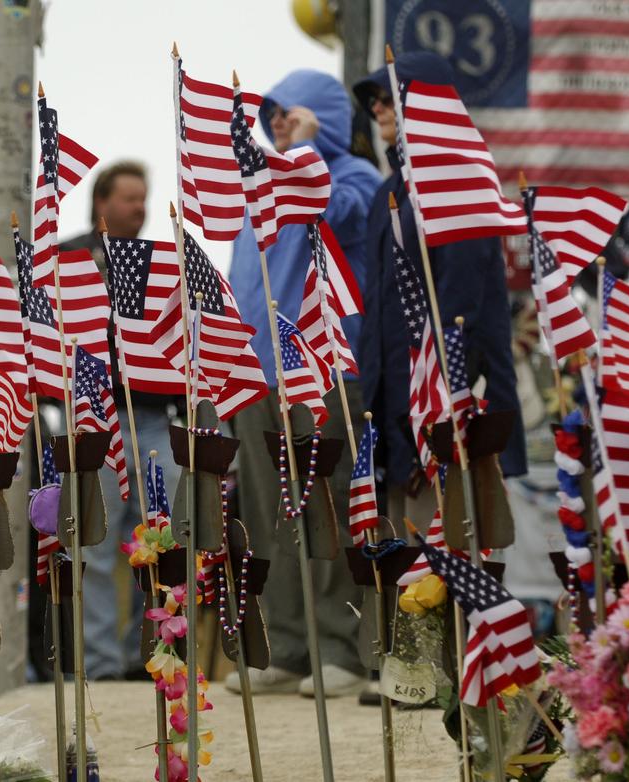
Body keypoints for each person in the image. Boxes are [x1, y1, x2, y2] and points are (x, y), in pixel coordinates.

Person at [352, 52, 526, 689]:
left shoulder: (458, 176)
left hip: (451, 398)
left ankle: (472, 680)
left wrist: (447, 395)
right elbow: (381, 309)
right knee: (411, 538)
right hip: (396, 398)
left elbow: (463, 308)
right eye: (373, 100)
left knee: (460, 534)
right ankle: (426, 676)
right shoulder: (390, 191)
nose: (378, 109)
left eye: (390, 96)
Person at [226, 69, 382, 698]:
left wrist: (311, 146)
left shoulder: (355, 177)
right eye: (272, 113)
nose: (277, 121)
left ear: (322, 116)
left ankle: (342, 647)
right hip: (258, 377)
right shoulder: (258, 196)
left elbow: (331, 209)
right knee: (269, 515)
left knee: (330, 506)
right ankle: (289, 646)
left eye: (289, 111)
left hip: (325, 371)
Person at [61, 161, 179, 680]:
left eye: (143, 197)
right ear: (101, 201)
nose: (140, 207)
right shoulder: (68, 259)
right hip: (95, 419)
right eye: (130, 198)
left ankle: (150, 653)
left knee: (161, 542)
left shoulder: (160, 263)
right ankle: (102, 665)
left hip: (153, 418)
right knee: (97, 543)